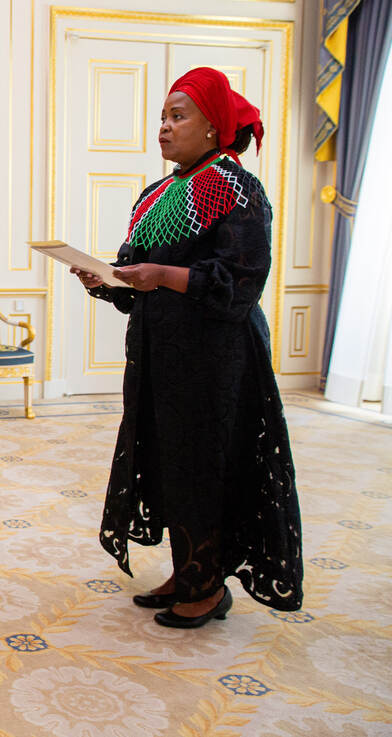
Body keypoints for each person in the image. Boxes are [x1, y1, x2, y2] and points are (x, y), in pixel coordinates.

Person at [72, 67, 302, 627]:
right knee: (168, 460)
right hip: (160, 354)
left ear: (213, 127)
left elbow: (242, 281)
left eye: (178, 116)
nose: (165, 127)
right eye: (162, 117)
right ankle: (189, 571)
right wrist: (108, 279)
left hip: (215, 358)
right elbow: (137, 277)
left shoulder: (237, 188)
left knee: (205, 463)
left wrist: (163, 276)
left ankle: (207, 587)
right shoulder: (157, 194)